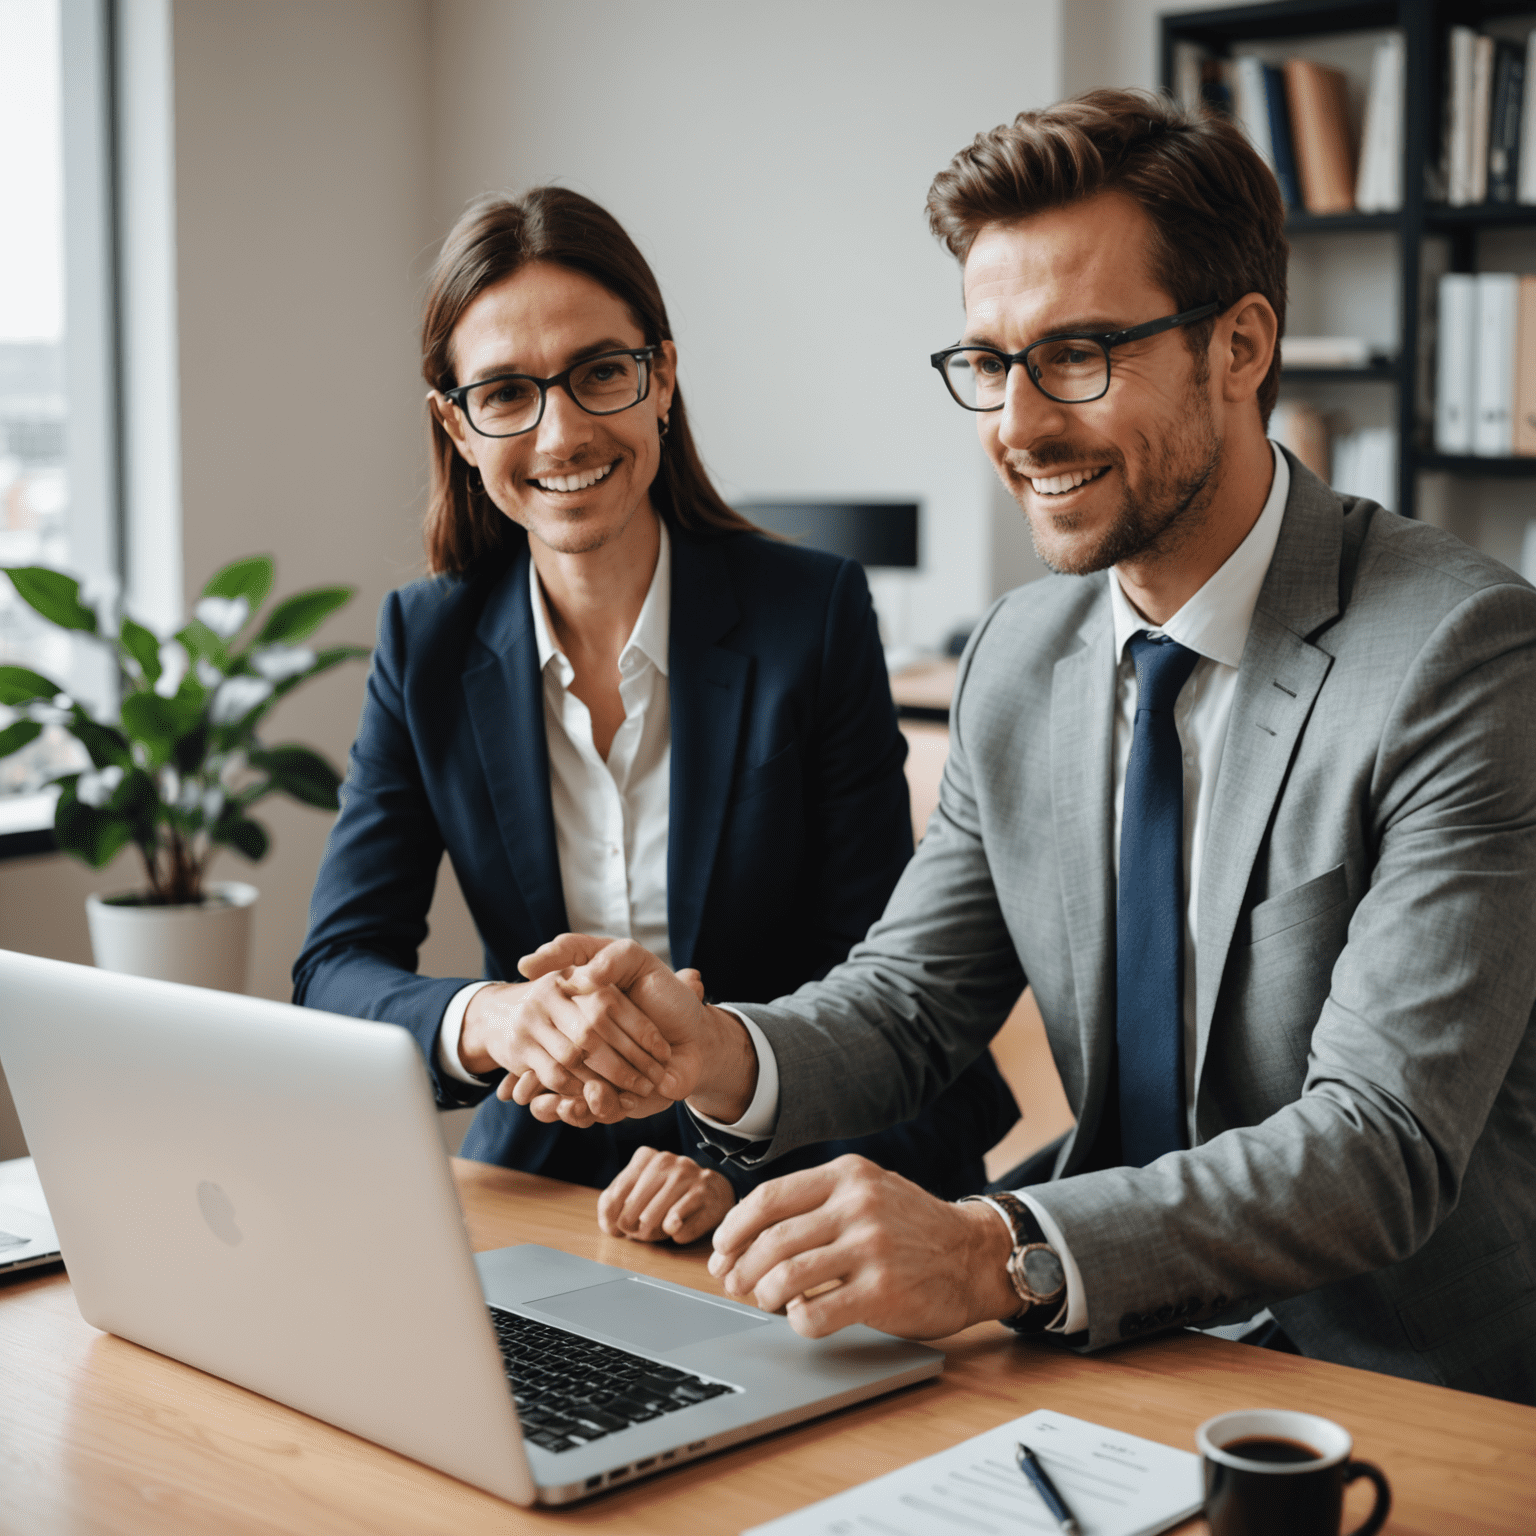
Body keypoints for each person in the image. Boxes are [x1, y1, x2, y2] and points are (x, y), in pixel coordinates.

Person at [502, 94, 1536, 1406]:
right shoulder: (1018, 656)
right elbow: (911, 1003)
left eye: (1080, 355)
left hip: (1392, 1371)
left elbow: (1377, 1143)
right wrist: (711, 1048)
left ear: (1241, 345)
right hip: (1104, 1331)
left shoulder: (1462, 654)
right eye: (989, 363)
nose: (1018, 423)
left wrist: (998, 1250)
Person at [292, 187, 1018, 1242]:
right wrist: (494, 1016)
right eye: (505, 393)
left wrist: (731, 1164)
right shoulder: (427, 641)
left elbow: (885, 976)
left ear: (660, 378)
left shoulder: (809, 614)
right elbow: (335, 969)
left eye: (600, 373)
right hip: (552, 1166)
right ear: (457, 423)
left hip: (808, 1155)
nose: (562, 430)